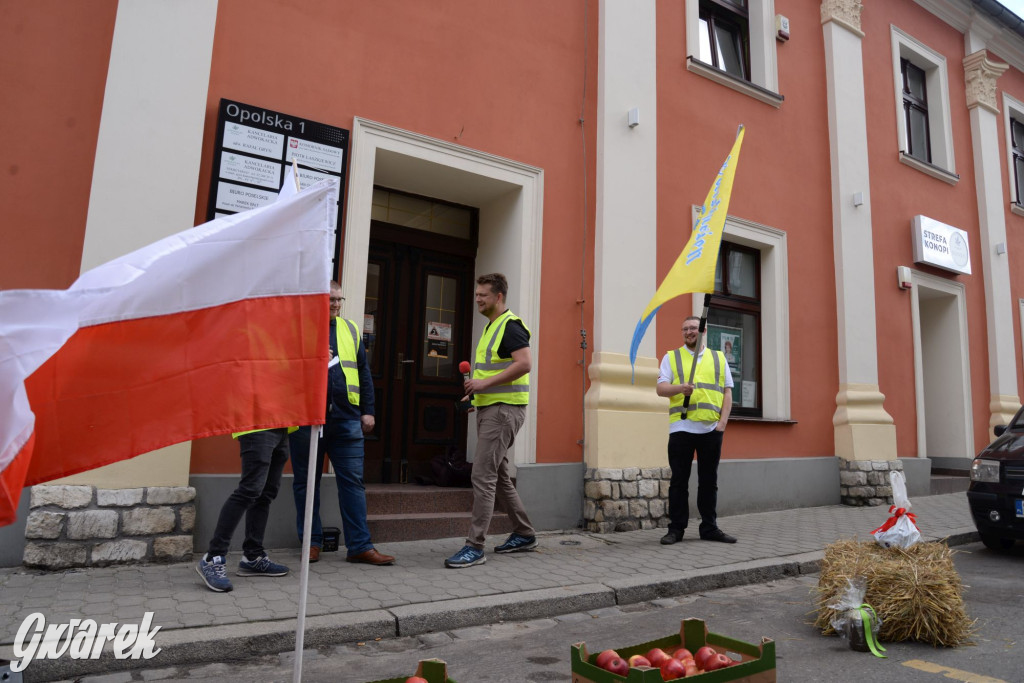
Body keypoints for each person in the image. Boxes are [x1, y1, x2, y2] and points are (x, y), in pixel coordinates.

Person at [288, 281, 394, 566]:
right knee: (307, 483)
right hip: (307, 420)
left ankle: (360, 546)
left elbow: (362, 371)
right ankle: (311, 542)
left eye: (339, 300)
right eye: (330, 300)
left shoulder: (349, 329)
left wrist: (368, 410)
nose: (336, 304)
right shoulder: (300, 329)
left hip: (347, 419)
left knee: (353, 484)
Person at [445, 273, 537, 568]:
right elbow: (489, 374)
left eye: (483, 294)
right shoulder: (491, 328)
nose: (478, 299)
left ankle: (475, 546)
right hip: (492, 408)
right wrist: (476, 397)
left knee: (482, 476)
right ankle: (523, 533)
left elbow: (524, 364)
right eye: (476, 295)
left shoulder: (510, 326)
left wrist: (484, 387)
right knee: (497, 476)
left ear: (499, 297)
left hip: (503, 411)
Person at [656, 316, 736, 545]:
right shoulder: (671, 357)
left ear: (703, 331)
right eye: (685, 329)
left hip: (711, 429)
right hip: (681, 428)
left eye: (693, 328)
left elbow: (727, 392)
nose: (689, 332)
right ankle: (676, 529)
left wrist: (722, 425)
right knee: (679, 482)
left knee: (709, 482)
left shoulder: (719, 358)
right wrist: (681, 388)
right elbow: (661, 389)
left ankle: (709, 527)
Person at [196, 427, 294, 592]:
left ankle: (253, 557)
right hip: (258, 424)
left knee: (265, 494)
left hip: (282, 425)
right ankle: (212, 558)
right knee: (248, 491)